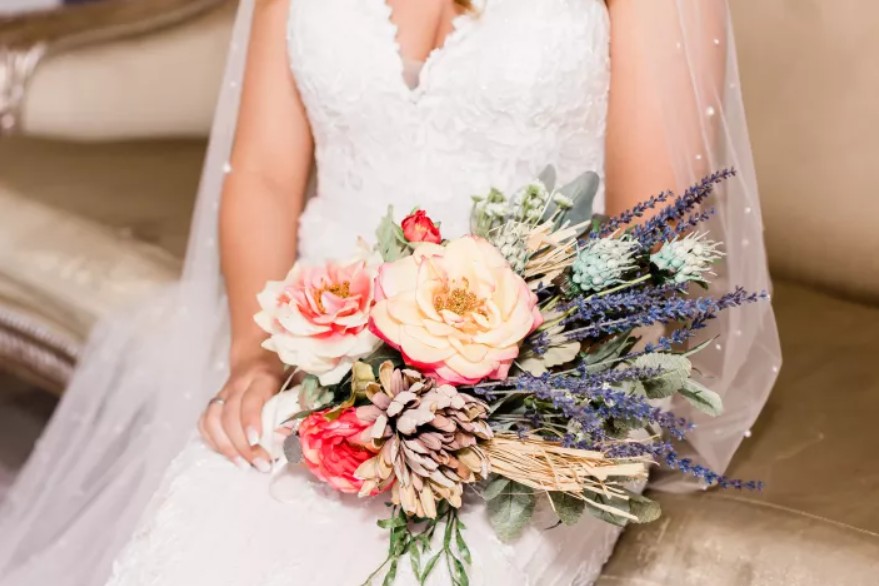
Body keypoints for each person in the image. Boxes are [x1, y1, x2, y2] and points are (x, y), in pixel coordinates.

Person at [0, 1, 781, 585]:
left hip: (553, 381)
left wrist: (489, 394)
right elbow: (267, 176)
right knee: (201, 548)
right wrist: (253, 360)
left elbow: (655, 227)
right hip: (316, 352)